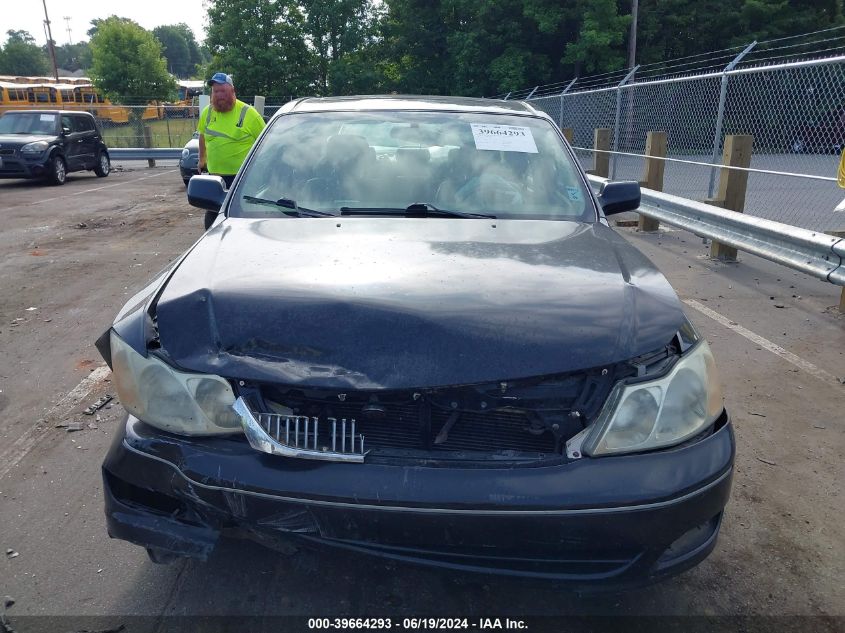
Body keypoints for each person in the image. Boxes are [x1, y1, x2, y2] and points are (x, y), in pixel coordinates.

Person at [197, 72, 266, 189]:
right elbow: (202, 136)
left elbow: (266, 143)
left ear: (232, 91)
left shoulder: (250, 114)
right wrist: (202, 159)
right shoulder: (207, 113)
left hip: (243, 179)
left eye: (223, 91)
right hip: (214, 178)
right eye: (215, 91)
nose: (219, 95)